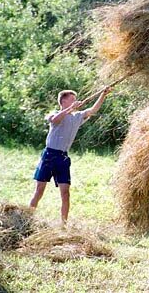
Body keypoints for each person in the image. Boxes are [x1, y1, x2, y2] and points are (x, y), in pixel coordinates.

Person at [29, 87, 112, 224]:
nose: (75, 101)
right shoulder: (54, 114)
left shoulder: (77, 117)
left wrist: (103, 95)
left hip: (63, 158)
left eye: (75, 99)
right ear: (63, 101)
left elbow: (92, 110)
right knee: (39, 190)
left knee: (65, 193)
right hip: (49, 155)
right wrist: (69, 109)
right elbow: (55, 120)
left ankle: (64, 224)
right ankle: (28, 219)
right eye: (72, 99)